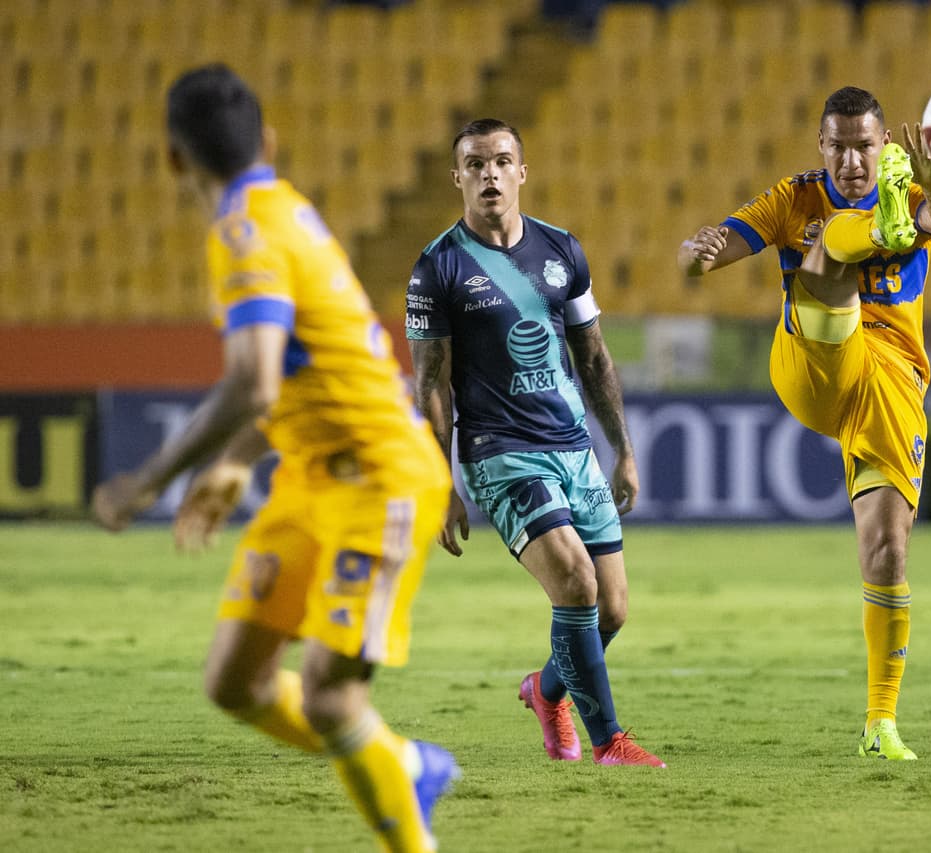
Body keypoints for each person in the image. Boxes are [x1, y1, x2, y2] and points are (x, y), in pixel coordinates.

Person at [91, 64, 457, 852]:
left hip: (381, 478)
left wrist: (147, 480)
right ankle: (405, 764)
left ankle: (409, 823)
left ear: (173, 160)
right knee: (236, 681)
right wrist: (236, 462)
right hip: (311, 475)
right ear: (270, 141)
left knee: (328, 697)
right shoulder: (286, 211)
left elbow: (252, 380)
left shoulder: (242, 232)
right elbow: (300, 372)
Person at [677, 86, 931, 761]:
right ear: (821, 146)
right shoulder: (794, 198)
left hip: (890, 377)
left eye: (864, 145)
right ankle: (875, 235)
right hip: (811, 358)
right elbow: (717, 250)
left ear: (881, 145)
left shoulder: (910, 179)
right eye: (838, 145)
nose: (852, 159)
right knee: (830, 257)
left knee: (888, 549)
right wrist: (698, 250)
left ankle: (880, 723)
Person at [406, 118, 664, 768]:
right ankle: (610, 741)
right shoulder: (438, 267)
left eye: (501, 161)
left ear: (522, 171)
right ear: (457, 177)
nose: (489, 173)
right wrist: (442, 481)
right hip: (500, 451)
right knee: (575, 584)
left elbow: (596, 357)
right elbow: (430, 382)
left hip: (572, 446)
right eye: (475, 164)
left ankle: (545, 690)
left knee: (612, 609)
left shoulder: (562, 251)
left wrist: (623, 449)